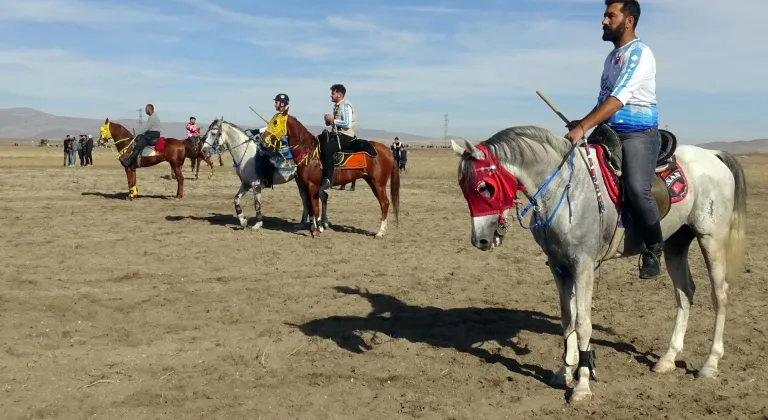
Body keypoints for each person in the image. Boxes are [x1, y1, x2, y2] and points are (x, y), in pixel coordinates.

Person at [564, 0, 662, 279]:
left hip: (637, 133)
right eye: (604, 16)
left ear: (628, 21)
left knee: (636, 186)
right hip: (607, 130)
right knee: (576, 172)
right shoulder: (611, 58)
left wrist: (583, 127)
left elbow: (619, 98)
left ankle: (653, 248)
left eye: (610, 15)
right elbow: (603, 101)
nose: (604, 21)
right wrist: (582, 123)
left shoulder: (640, 53)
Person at [319, 84, 356, 194]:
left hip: (346, 135)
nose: (331, 95)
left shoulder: (346, 105)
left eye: (333, 93)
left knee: (326, 150)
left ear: (339, 95)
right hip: (337, 134)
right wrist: (330, 121)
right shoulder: (337, 106)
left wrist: (333, 120)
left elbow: (347, 123)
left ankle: (329, 179)